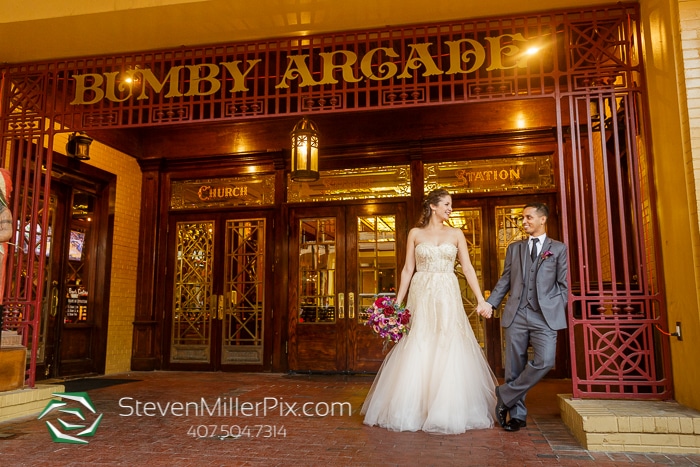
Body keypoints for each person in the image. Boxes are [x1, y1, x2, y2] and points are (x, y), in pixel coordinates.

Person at [361, 188, 497, 434]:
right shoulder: (415, 233)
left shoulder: (456, 234)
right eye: (446, 203)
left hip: (446, 289)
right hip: (421, 290)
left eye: (450, 204)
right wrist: (397, 305)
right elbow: (406, 270)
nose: (450, 208)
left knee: (446, 338)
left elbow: (467, 268)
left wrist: (480, 300)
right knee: (421, 338)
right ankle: (416, 408)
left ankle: (445, 408)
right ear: (433, 206)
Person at [485, 202, 568, 432]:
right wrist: (491, 303)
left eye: (528, 217)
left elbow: (564, 285)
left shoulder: (559, 249)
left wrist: (555, 306)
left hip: (545, 316)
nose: (524, 222)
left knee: (545, 361)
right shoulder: (515, 248)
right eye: (522, 218)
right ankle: (518, 415)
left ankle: (505, 394)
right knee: (514, 366)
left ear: (543, 219)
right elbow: (505, 280)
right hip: (517, 313)